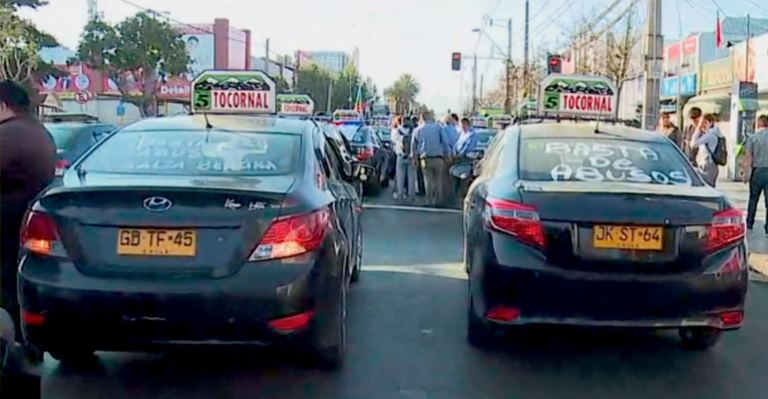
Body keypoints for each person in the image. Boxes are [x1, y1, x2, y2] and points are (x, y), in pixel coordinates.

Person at [0, 81, 57, 333]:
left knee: (6, 292)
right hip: (23, 223)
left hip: (6, 225)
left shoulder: (9, 134)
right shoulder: (38, 130)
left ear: (3, 106)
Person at [410, 110, 451, 207]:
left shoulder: (418, 130)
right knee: (438, 180)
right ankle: (438, 201)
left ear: (422, 118)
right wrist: (447, 154)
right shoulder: (438, 128)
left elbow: (413, 146)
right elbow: (445, 142)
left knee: (428, 180)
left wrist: (414, 158)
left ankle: (428, 200)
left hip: (425, 158)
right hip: (438, 158)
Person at [744, 115, 768, 231]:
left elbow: (748, 156)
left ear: (759, 124)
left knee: (753, 198)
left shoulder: (753, 138)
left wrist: (746, 173)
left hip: (757, 171)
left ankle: (749, 222)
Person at [690, 113, 722, 187]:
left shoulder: (711, 135)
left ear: (711, 123)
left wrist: (698, 128)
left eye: (705, 122)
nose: (702, 125)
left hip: (707, 166)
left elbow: (694, 142)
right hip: (707, 165)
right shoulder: (712, 133)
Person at [390, 116, 417, 201]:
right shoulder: (414, 131)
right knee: (411, 176)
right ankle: (411, 194)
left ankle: (400, 193)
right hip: (411, 155)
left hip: (401, 155)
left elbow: (393, 141)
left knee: (400, 176)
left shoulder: (396, 131)